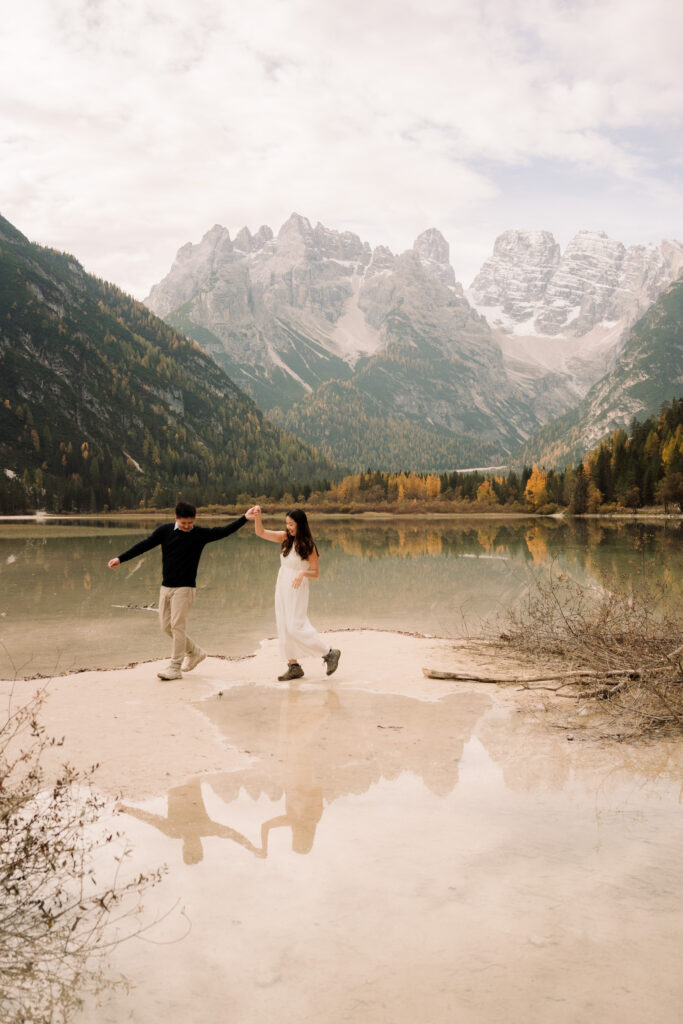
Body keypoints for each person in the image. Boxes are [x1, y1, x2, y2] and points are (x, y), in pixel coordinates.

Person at [108, 500, 259, 680]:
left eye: (190, 523)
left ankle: (175, 667)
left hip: (185, 588)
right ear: (176, 518)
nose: (187, 526)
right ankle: (195, 652)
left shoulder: (199, 534)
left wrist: (244, 518)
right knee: (166, 627)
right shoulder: (164, 531)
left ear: (194, 520)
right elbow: (144, 545)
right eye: (184, 523)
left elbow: (223, 531)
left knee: (177, 627)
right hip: (166, 587)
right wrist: (120, 558)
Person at [252, 507, 340, 681]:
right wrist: (257, 516)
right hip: (282, 583)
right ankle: (293, 666)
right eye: (287, 523)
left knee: (295, 626)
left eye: (291, 524)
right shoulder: (285, 538)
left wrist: (302, 573)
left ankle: (329, 653)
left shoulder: (308, 545)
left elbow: (315, 572)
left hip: (297, 587)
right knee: (284, 625)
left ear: (300, 525)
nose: (288, 527)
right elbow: (260, 532)